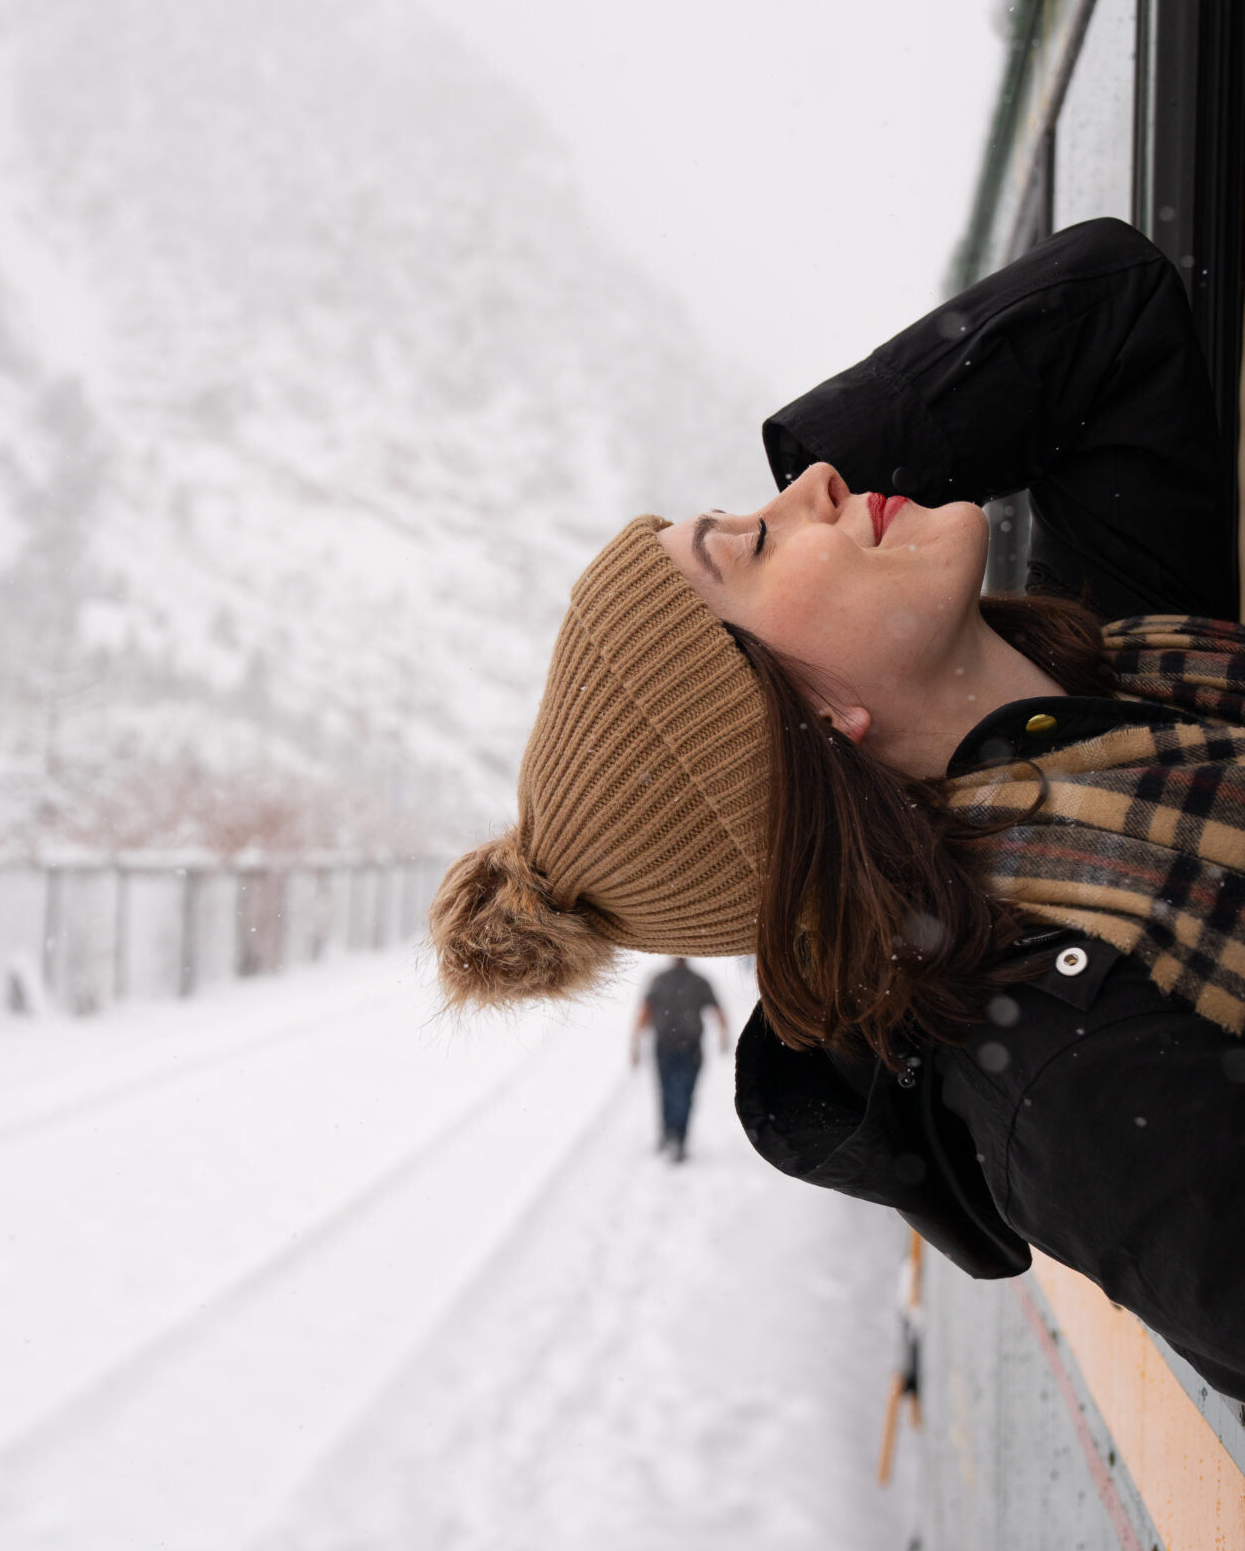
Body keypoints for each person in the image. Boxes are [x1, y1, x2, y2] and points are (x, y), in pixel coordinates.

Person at [430, 218, 1245, 1400]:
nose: (809, 486)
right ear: (808, 719)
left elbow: (1103, 307)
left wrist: (837, 507)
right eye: (751, 546)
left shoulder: (1127, 667)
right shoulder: (1060, 1060)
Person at [631, 957, 729, 1160]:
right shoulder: (698, 980)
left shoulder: (660, 979)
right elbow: (718, 1011)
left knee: (667, 1090)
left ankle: (670, 1135)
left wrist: (635, 1043)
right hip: (689, 1047)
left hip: (667, 1045)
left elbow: (644, 1013)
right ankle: (677, 1137)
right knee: (685, 1092)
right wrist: (723, 1036)